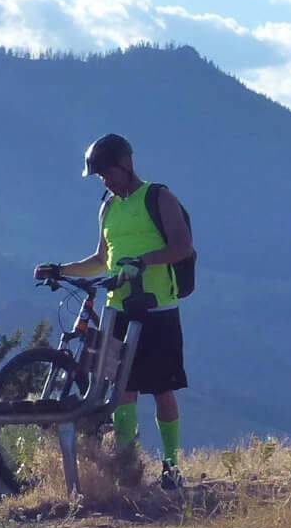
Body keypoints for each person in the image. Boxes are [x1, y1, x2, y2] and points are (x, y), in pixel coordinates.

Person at [33, 133, 195, 490]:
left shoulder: (158, 197)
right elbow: (99, 259)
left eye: (106, 172)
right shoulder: (107, 206)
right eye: (99, 175)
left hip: (158, 307)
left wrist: (144, 261)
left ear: (125, 165)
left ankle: (171, 466)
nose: (104, 180)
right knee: (121, 390)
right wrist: (61, 269)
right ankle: (127, 466)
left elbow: (182, 247)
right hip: (117, 308)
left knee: (162, 390)